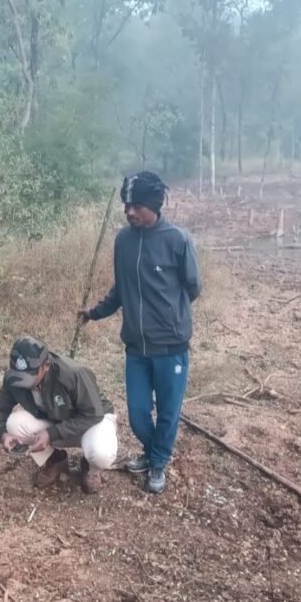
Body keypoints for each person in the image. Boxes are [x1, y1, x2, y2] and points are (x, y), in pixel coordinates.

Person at [79, 171, 201, 494]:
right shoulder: (124, 241)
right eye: (126, 205)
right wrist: (94, 313)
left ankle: (157, 461)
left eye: (136, 205)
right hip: (136, 345)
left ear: (155, 205)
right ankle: (153, 451)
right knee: (136, 412)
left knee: (168, 411)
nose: (129, 212)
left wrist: (170, 316)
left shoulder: (178, 240)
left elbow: (193, 287)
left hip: (171, 346)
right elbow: (121, 289)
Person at [0, 336, 118, 494]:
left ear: (46, 365)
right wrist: (2, 434)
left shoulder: (73, 373)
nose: (23, 382)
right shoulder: (13, 377)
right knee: (14, 425)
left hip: (93, 421)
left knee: (101, 453)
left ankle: (91, 469)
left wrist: (52, 433)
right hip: (56, 418)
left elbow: (93, 414)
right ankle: (56, 459)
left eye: (30, 375)